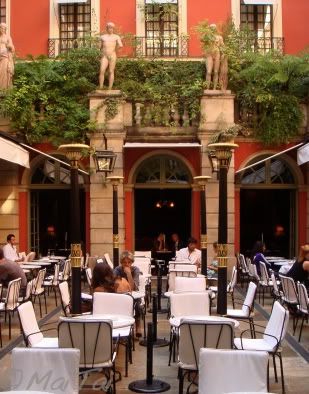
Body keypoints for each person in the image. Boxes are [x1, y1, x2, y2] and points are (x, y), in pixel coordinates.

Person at [114, 250, 142, 336]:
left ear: (132, 262)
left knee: (137, 305)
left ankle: (138, 326)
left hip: (133, 295)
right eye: (124, 262)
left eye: (129, 262)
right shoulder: (117, 270)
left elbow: (133, 288)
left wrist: (129, 274)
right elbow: (113, 284)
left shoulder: (136, 270)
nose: (126, 264)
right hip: (120, 295)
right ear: (121, 263)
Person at [99, 22, 123, 90]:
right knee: (102, 70)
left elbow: (120, 45)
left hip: (112, 55)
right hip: (104, 56)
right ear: (107, 28)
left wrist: (114, 50)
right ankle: (100, 87)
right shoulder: (102, 37)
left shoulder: (116, 37)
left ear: (113, 29)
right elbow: (99, 47)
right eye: (109, 27)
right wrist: (100, 53)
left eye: (112, 28)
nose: (110, 29)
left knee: (111, 71)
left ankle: (110, 88)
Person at [205, 23, 227, 90]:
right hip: (209, 54)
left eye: (214, 28)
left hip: (217, 53)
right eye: (211, 28)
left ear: (215, 29)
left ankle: (214, 89)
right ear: (209, 29)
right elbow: (203, 42)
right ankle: (207, 88)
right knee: (209, 72)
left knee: (216, 72)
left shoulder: (219, 37)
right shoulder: (207, 37)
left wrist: (225, 53)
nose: (213, 29)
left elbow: (223, 47)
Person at [0, 23, 14, 90]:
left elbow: (12, 47)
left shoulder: (8, 37)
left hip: (5, 56)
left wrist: (9, 46)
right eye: (1, 28)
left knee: (3, 73)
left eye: (4, 28)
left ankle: (4, 89)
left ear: (5, 29)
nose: (2, 29)